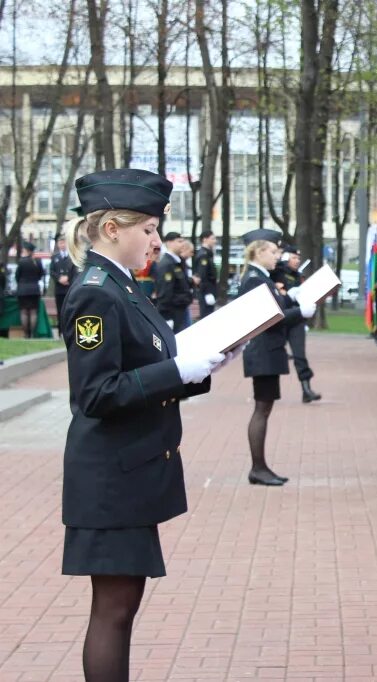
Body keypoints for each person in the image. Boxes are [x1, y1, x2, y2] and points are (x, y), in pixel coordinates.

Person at [59, 168, 230, 682]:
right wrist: (176, 371)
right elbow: (95, 393)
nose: (156, 240)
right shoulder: (97, 292)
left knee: (122, 608)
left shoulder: (122, 286)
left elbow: (148, 362)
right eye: (148, 229)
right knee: (113, 612)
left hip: (127, 471)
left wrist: (201, 361)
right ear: (113, 228)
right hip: (110, 477)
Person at [240, 229, 316, 486]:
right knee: (262, 409)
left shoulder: (260, 277)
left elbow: (275, 305)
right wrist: (300, 312)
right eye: (273, 252)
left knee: (265, 407)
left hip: (266, 351)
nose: (277, 256)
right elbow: (269, 318)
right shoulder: (255, 279)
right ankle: (258, 468)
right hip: (263, 351)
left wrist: (288, 297)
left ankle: (260, 467)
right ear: (259, 252)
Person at [272, 244, 321, 403]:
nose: (297, 260)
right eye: (293, 257)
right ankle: (267, 388)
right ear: (285, 257)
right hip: (280, 318)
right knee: (273, 353)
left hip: (297, 318)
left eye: (298, 258)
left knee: (300, 355)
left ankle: (306, 389)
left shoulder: (298, 276)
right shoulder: (277, 272)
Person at [153, 232, 193, 331]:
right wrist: (166, 316)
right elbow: (164, 292)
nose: (183, 244)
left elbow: (183, 284)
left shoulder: (177, 262)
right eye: (179, 241)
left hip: (182, 308)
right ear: (169, 243)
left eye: (183, 241)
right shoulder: (167, 264)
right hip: (173, 311)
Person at [14, 242, 44, 337]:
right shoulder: (38, 262)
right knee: (33, 312)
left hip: (22, 290)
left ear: (27, 251)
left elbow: (17, 276)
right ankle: (32, 334)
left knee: (24, 312)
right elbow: (41, 275)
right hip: (34, 289)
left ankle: (26, 334)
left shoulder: (21, 261)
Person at [51, 232, 80, 327]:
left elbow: (75, 271)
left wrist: (68, 278)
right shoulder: (55, 257)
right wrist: (59, 278)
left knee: (70, 309)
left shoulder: (72, 257)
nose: (62, 245)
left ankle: (69, 328)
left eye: (64, 243)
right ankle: (60, 330)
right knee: (60, 309)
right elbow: (52, 271)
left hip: (69, 287)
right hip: (59, 288)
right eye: (60, 243)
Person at [193, 230, 218, 319]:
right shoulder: (203, 255)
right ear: (205, 239)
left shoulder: (207, 253)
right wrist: (207, 292)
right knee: (206, 316)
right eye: (212, 238)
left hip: (209, 289)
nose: (215, 241)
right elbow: (201, 275)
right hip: (206, 290)